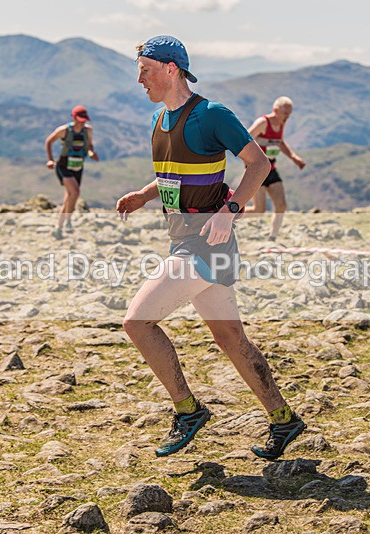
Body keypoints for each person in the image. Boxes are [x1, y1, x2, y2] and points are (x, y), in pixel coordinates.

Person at [116, 35, 305, 461]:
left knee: (137, 321)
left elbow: (259, 164)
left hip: (207, 244)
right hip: (185, 238)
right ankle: (284, 418)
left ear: (171, 69)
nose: (139, 79)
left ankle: (188, 411)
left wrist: (231, 209)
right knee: (230, 337)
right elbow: (176, 175)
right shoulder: (159, 120)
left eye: (145, 70)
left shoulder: (211, 114)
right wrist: (144, 195)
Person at [247, 96, 306, 241]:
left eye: (289, 113)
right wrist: (249, 162)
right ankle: (226, 219)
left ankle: (272, 238)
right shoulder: (263, 123)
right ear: (275, 110)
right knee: (258, 210)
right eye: (285, 113)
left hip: (271, 169)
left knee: (281, 205)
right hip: (256, 170)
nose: (287, 117)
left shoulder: (280, 124)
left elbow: (279, 142)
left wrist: (294, 157)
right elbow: (245, 140)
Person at [45, 105, 99, 239]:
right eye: (80, 119)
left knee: (69, 198)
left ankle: (58, 228)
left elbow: (89, 145)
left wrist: (91, 153)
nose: (82, 122)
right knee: (75, 192)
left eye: (84, 120)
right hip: (64, 166)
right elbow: (49, 141)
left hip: (78, 166)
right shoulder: (64, 130)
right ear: (74, 118)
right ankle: (68, 220)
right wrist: (50, 160)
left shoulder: (88, 131)